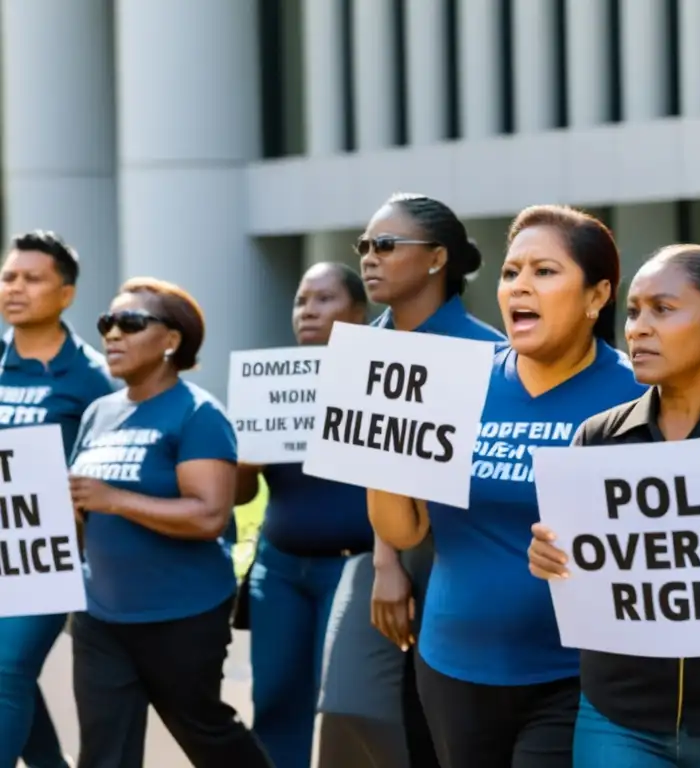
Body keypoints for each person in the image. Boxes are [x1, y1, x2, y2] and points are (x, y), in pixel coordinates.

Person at [370, 204, 646, 768]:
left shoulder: (637, 395)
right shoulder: (451, 380)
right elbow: (403, 528)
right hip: (451, 665)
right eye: (510, 272)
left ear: (597, 296)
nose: (520, 286)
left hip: (576, 675)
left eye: (544, 272)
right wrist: (382, 448)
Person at [528, 244, 700, 767]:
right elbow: (580, 577)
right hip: (619, 721)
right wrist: (549, 560)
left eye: (662, 309)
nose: (636, 327)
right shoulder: (597, 440)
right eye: (634, 311)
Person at [317, 193, 504, 768]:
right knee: (354, 710)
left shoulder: (492, 353)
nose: (369, 258)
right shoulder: (361, 348)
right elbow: (380, 468)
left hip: (469, 560)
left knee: (448, 723)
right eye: (365, 246)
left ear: (435, 259)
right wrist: (387, 562)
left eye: (386, 245)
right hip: (388, 551)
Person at [68, 277, 271, 767]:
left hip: (181, 614)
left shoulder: (197, 414)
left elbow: (209, 514)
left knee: (206, 734)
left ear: (171, 341)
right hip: (101, 617)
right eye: (107, 323)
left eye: (130, 323)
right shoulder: (99, 413)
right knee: (103, 751)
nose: (112, 334)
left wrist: (114, 499)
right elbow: (81, 508)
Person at [235, 262, 373, 768]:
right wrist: (244, 462)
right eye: (301, 300)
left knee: (344, 704)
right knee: (273, 698)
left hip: (354, 569)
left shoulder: (379, 383)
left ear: (358, 313)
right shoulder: (269, 386)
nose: (307, 311)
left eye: (323, 300)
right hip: (281, 569)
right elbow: (239, 492)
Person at [0, 231, 115, 768]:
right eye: (9, 277)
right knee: (7, 673)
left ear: (66, 293)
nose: (15, 288)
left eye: (32, 278)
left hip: (47, 556)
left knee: (6, 669)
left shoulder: (94, 378)